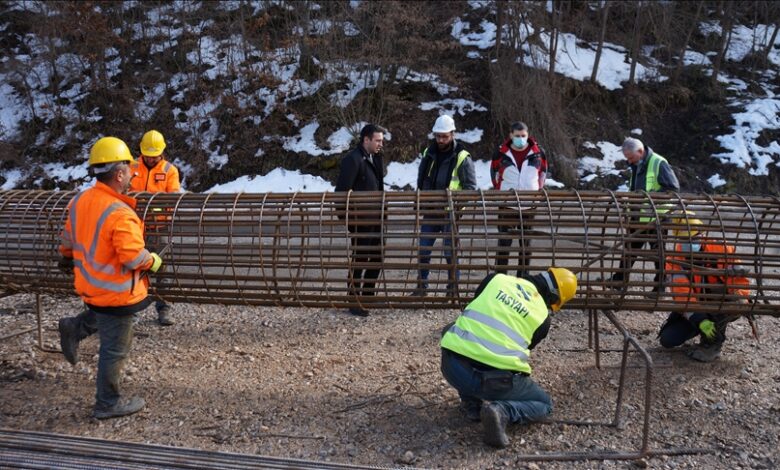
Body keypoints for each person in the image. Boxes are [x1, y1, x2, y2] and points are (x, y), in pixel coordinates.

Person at [57, 136, 164, 419]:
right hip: (117, 294)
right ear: (119, 174)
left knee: (101, 316)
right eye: (129, 169)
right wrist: (153, 261)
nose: (132, 174)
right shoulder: (120, 212)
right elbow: (132, 257)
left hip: (90, 287)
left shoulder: (79, 201)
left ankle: (75, 327)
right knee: (115, 349)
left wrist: (69, 258)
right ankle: (107, 404)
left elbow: (67, 243)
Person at [440, 267, 577, 448]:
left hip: (452, 366)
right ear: (553, 298)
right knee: (543, 404)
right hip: (491, 383)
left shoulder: (495, 280)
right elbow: (518, 350)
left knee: (455, 331)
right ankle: (502, 411)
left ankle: (471, 406)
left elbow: (473, 312)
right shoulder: (543, 319)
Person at [659, 216, 750, 362]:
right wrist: (700, 320)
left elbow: (740, 282)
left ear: (702, 234)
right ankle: (701, 327)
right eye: (685, 239)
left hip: (719, 304)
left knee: (737, 301)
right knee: (668, 340)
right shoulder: (675, 260)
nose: (691, 242)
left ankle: (713, 342)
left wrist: (739, 297)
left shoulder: (722, 249)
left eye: (694, 238)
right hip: (695, 307)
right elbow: (682, 295)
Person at [413, 115, 477, 296]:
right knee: (423, 249)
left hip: (450, 213)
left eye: (445, 136)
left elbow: (470, 188)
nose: (441, 140)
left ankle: (453, 287)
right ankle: (421, 286)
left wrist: (457, 207)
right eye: (438, 136)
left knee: (450, 252)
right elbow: (422, 178)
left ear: (452, 134)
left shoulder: (462, 156)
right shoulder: (428, 153)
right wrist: (420, 200)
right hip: (431, 211)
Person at [610, 137, 680, 288]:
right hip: (638, 216)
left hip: (656, 217)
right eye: (627, 158)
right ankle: (619, 280)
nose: (629, 161)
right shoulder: (637, 164)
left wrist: (652, 200)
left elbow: (672, 187)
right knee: (630, 249)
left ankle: (660, 285)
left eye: (631, 158)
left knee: (658, 253)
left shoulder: (658, 162)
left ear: (640, 152)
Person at [130, 130, 180, 326]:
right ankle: (132, 310)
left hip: (159, 226)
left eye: (154, 155)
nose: (151, 159)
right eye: (147, 155)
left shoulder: (170, 170)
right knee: (133, 266)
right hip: (133, 225)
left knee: (161, 269)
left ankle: (164, 309)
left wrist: (153, 208)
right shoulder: (131, 167)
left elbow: (173, 199)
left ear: (162, 152)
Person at [334, 124, 386, 317]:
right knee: (360, 260)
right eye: (378, 140)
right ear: (366, 140)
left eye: (381, 140)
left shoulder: (376, 158)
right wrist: (347, 220)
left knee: (377, 258)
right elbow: (341, 192)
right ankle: (354, 300)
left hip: (377, 219)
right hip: (360, 221)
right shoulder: (353, 160)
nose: (381, 143)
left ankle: (368, 296)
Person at [490, 122, 548, 277]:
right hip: (507, 205)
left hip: (530, 205)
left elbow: (543, 171)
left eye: (523, 136)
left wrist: (537, 189)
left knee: (526, 245)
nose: (520, 139)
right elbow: (494, 172)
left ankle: (522, 278)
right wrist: (501, 192)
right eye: (517, 136)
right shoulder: (501, 153)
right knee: (504, 243)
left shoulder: (538, 152)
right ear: (511, 135)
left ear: (528, 135)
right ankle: (500, 277)